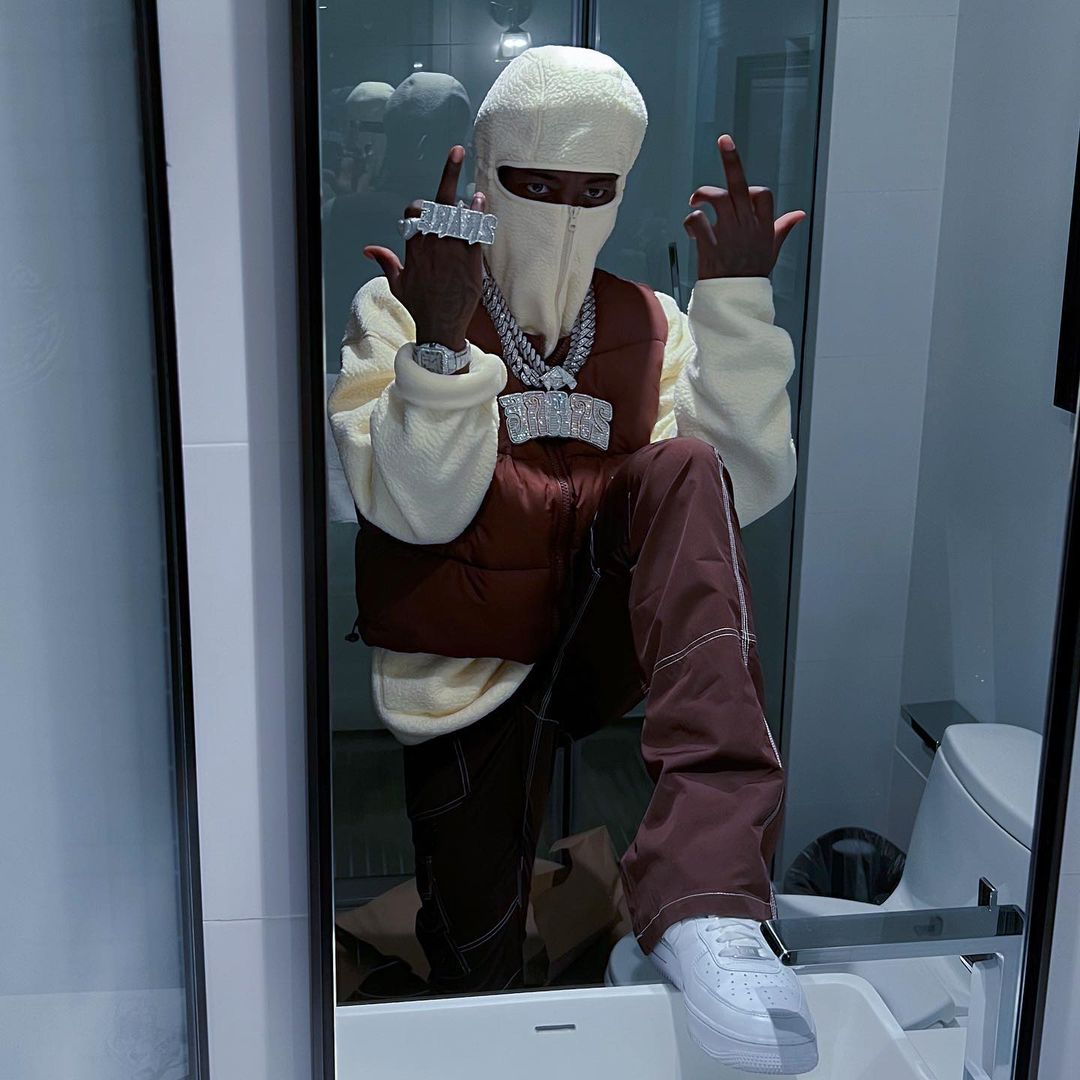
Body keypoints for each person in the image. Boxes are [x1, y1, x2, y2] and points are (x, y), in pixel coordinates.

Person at [328, 45, 815, 1075]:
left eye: (595, 192)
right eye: (535, 185)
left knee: (687, 467)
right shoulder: (402, 305)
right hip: (465, 662)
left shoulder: (650, 321)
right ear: (489, 170)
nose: (563, 215)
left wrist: (733, 304)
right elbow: (415, 510)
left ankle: (709, 897)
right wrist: (440, 347)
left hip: (598, 636)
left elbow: (734, 495)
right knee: (474, 957)